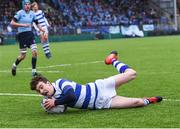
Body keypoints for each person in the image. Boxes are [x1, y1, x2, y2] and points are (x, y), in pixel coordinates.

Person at [30, 51, 163, 111]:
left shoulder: (60, 82)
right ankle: (149, 100)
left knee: (132, 74)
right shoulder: (51, 98)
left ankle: (112, 60)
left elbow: (71, 96)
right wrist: (52, 107)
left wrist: (55, 102)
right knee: (137, 102)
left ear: (48, 82)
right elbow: (62, 108)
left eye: (42, 86)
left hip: (100, 87)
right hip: (103, 103)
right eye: (39, 91)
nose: (42, 91)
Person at [11, 0, 44, 77]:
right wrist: (23, 25)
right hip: (22, 35)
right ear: (23, 5)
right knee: (23, 56)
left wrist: (41, 29)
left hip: (30, 34)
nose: (27, 5)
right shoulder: (19, 13)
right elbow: (12, 23)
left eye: (29, 4)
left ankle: (34, 71)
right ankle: (14, 65)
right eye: (26, 4)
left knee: (35, 51)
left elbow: (36, 22)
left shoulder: (32, 14)